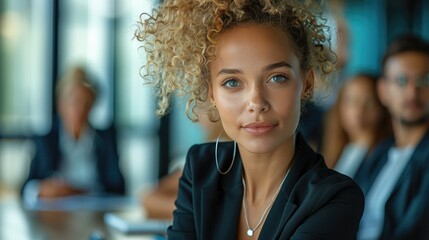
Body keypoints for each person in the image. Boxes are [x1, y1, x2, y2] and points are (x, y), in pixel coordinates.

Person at [136, 0, 364, 239]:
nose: (256, 103)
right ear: (212, 93)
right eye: (232, 82)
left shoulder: (335, 197)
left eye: (277, 78)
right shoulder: (201, 169)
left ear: (306, 84)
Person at [354, 35, 429, 239]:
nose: (412, 92)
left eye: (424, 80)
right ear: (383, 91)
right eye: (402, 81)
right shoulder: (380, 153)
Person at [22, 66, 125, 203]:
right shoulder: (46, 140)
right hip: (54, 215)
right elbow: (26, 188)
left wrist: (76, 192)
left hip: (95, 215)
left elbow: (118, 188)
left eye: (86, 103)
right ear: (61, 104)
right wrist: (41, 189)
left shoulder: (105, 140)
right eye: (74, 101)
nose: (80, 109)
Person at [141, 104, 227, 220]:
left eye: (201, 108)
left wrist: (192, 211)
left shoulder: (207, 154)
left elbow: (149, 200)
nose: (196, 116)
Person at [321, 73, 392, 177]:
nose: (359, 111)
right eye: (352, 101)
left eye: (370, 103)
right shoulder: (336, 149)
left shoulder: (386, 155)